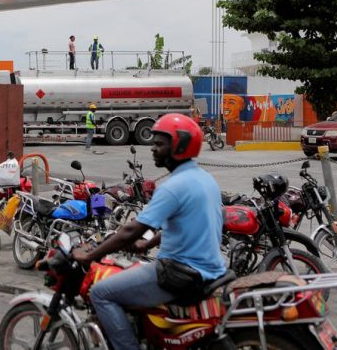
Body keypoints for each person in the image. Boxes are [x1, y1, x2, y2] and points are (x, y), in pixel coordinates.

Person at [72, 114, 226, 349]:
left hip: (180, 274)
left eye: (159, 144)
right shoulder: (204, 179)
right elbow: (184, 226)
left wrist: (90, 255)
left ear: (180, 145)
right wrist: (147, 245)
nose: (152, 148)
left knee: (101, 292)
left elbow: (131, 229)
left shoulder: (174, 187)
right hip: (209, 269)